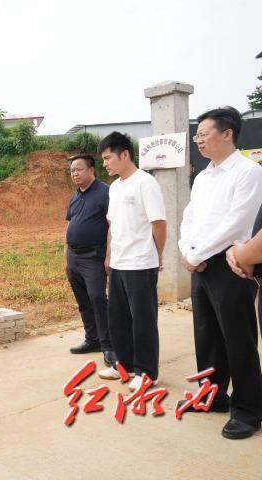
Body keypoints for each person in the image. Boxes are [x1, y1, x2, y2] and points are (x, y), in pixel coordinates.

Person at [179, 106, 262, 440]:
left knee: (238, 338)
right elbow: (189, 217)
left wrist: (196, 254)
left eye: (204, 134)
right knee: (207, 336)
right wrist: (187, 251)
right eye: (196, 136)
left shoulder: (248, 172)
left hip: (232, 264)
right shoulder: (203, 176)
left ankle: (249, 410)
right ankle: (211, 396)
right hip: (200, 264)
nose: (198, 140)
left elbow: (237, 223)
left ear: (227, 134)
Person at [95, 132, 166, 392]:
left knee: (143, 321)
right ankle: (123, 365)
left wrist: (157, 255)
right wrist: (109, 255)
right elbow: (112, 225)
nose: (105, 164)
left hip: (141, 264)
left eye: (108, 158)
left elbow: (159, 224)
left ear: (124, 154)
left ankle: (147, 373)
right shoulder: (115, 187)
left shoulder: (145, 183)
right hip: (119, 263)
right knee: (118, 319)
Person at [64, 154, 115, 367]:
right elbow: (69, 225)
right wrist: (66, 256)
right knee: (83, 301)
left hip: (93, 256)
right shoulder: (75, 196)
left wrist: (109, 256)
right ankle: (92, 339)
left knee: (97, 298)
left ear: (91, 170)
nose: (75, 174)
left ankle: (109, 345)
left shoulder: (105, 192)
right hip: (74, 257)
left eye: (79, 169)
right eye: (72, 170)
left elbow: (112, 225)